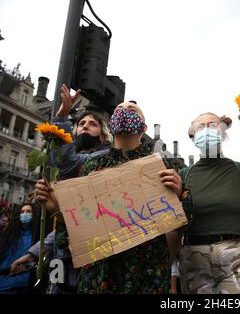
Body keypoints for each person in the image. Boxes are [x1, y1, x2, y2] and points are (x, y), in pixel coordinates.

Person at [34, 101, 182, 294]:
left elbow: (177, 225)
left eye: (132, 110)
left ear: (143, 127)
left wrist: (178, 194)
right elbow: (82, 225)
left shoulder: (162, 166)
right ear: (111, 125)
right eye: (118, 110)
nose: (124, 112)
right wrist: (56, 209)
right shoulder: (90, 167)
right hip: (98, 276)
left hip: (146, 276)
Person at [175, 112, 240, 294]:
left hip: (237, 258)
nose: (206, 130)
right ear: (193, 135)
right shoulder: (183, 176)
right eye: (200, 127)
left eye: (212, 124)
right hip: (195, 260)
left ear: (223, 132)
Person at [51, 84, 112, 180]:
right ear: (74, 133)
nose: (85, 126)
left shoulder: (107, 155)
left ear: (103, 136)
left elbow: (68, 163)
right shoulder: (61, 152)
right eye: (81, 123)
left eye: (93, 124)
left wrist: (61, 118)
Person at [0, 203, 39, 293]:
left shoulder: (37, 237)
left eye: (28, 211)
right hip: (4, 283)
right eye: (22, 212)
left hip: (25, 285)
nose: (25, 214)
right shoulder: (7, 235)